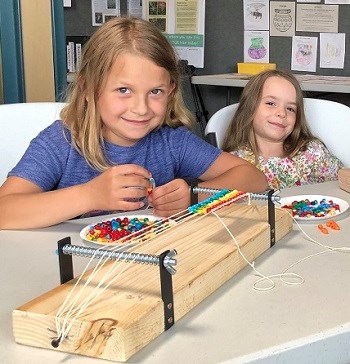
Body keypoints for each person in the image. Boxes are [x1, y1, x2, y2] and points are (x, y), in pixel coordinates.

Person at [0, 17, 267, 230]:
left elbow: (254, 178)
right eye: (124, 90)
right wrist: (89, 196)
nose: (141, 109)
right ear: (87, 89)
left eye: (155, 92)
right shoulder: (62, 142)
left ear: (171, 91)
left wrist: (196, 195)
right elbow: (4, 211)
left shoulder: (171, 140)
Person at [222, 69, 343, 190]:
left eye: (290, 109)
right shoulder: (234, 161)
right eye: (270, 103)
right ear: (249, 107)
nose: (282, 113)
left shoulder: (313, 153)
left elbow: (343, 184)